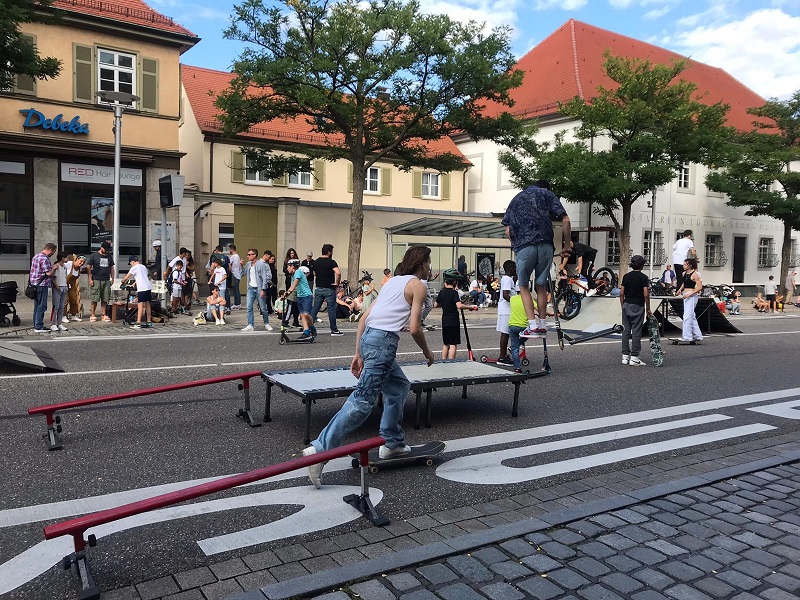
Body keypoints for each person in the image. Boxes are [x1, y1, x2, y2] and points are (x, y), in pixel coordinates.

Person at [301, 245, 436, 488]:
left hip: (370, 339)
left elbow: (364, 318)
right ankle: (320, 450)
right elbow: (415, 327)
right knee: (363, 400)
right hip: (383, 343)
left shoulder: (392, 282)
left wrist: (358, 352)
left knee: (398, 387)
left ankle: (393, 443)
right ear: (420, 263)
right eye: (428, 263)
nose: (430, 268)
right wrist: (428, 352)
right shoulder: (418, 285)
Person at [501, 180, 571, 339]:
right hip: (546, 245)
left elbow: (507, 231)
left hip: (524, 247)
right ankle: (542, 326)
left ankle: (532, 326)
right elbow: (565, 220)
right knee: (541, 286)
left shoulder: (516, 199)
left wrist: (516, 246)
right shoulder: (547, 194)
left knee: (524, 286)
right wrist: (566, 246)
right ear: (546, 188)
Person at [619, 254, 651, 366]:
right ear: (642, 265)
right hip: (638, 305)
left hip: (626, 304)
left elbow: (621, 293)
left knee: (626, 331)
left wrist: (622, 305)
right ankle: (634, 357)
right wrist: (648, 308)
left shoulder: (626, 276)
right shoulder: (643, 277)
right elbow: (646, 294)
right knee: (636, 331)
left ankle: (625, 356)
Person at [434, 269, 471, 359]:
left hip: (445, 321)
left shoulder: (442, 292)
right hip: (453, 321)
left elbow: (435, 305)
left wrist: (445, 303)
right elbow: (459, 305)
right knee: (453, 344)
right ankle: (451, 362)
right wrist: (470, 307)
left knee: (446, 344)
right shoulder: (454, 293)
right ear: (454, 281)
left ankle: (443, 361)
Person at [310, 243, 343, 336]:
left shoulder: (316, 261)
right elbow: (338, 273)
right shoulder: (331, 262)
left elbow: (314, 273)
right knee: (331, 309)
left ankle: (308, 326)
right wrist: (337, 283)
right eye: (332, 251)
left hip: (318, 287)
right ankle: (334, 330)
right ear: (329, 252)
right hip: (329, 287)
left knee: (315, 308)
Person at [241, 248, 273, 332]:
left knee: (263, 308)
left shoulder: (261, 264)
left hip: (259, 289)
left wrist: (263, 289)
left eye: (249, 254)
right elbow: (242, 273)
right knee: (249, 307)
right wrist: (241, 265)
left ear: (254, 255)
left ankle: (266, 323)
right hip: (250, 288)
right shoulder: (248, 264)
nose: (248, 256)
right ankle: (250, 324)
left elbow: (264, 277)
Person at [285, 259, 315, 338]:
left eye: (288, 266)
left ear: (293, 266)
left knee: (306, 313)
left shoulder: (298, 272)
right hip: (300, 296)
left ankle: (312, 328)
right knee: (302, 315)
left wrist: (289, 291)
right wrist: (285, 294)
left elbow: (295, 283)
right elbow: (292, 287)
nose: (287, 268)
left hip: (306, 296)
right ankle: (306, 332)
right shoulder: (293, 275)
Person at [120, 256, 153, 328]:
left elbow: (126, 277)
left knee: (140, 304)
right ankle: (149, 321)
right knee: (147, 304)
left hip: (142, 288)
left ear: (133, 261)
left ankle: (138, 322)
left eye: (130, 263)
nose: (131, 265)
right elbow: (143, 277)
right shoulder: (143, 267)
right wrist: (134, 284)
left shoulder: (134, 267)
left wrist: (122, 282)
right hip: (148, 286)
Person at [86, 241, 115, 322]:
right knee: (94, 298)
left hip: (106, 279)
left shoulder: (109, 256)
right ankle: (93, 314)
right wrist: (90, 279)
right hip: (96, 279)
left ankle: (104, 314)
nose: (106, 251)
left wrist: (112, 278)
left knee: (105, 298)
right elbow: (88, 267)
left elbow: (112, 267)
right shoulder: (94, 255)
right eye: (105, 249)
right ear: (101, 248)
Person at [676, 257, 703, 342]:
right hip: (685, 295)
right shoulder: (684, 273)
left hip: (691, 296)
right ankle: (698, 335)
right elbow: (684, 282)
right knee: (692, 316)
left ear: (690, 265)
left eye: (685, 264)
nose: (683, 266)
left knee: (687, 316)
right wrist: (680, 289)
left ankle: (687, 336)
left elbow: (699, 287)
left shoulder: (695, 274)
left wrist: (690, 294)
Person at [495, 260, 516, 365]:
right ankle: (502, 357)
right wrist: (515, 303)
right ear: (511, 268)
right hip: (506, 309)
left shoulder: (507, 279)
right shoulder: (507, 279)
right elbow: (505, 295)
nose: (516, 270)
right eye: (515, 268)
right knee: (505, 333)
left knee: (506, 333)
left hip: (506, 309)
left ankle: (503, 355)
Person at [507, 294, 529, 372]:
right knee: (529, 333)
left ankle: (517, 368)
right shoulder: (529, 299)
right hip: (524, 326)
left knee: (515, 348)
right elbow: (539, 309)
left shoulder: (512, 299)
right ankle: (519, 343)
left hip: (512, 325)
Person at [50, 252, 70, 332]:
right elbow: (53, 278)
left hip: (64, 287)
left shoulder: (64, 267)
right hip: (58, 287)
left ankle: (59, 323)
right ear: (62, 258)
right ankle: (53, 323)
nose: (67, 259)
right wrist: (57, 287)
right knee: (56, 306)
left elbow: (65, 277)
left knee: (62, 307)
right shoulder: (56, 266)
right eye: (66, 258)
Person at [65, 254, 86, 321]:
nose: (82, 263)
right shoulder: (69, 264)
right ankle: (63, 315)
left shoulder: (78, 269)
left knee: (74, 299)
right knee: (65, 300)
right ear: (76, 259)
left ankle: (74, 314)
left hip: (72, 285)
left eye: (83, 262)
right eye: (81, 261)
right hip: (64, 284)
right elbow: (61, 265)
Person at [228, 244, 242, 309]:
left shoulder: (233, 256)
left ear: (232, 249)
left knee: (235, 290)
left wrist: (229, 269)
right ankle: (238, 303)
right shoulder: (237, 256)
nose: (229, 250)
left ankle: (237, 303)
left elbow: (229, 264)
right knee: (236, 290)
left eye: (229, 249)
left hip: (234, 274)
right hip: (238, 274)